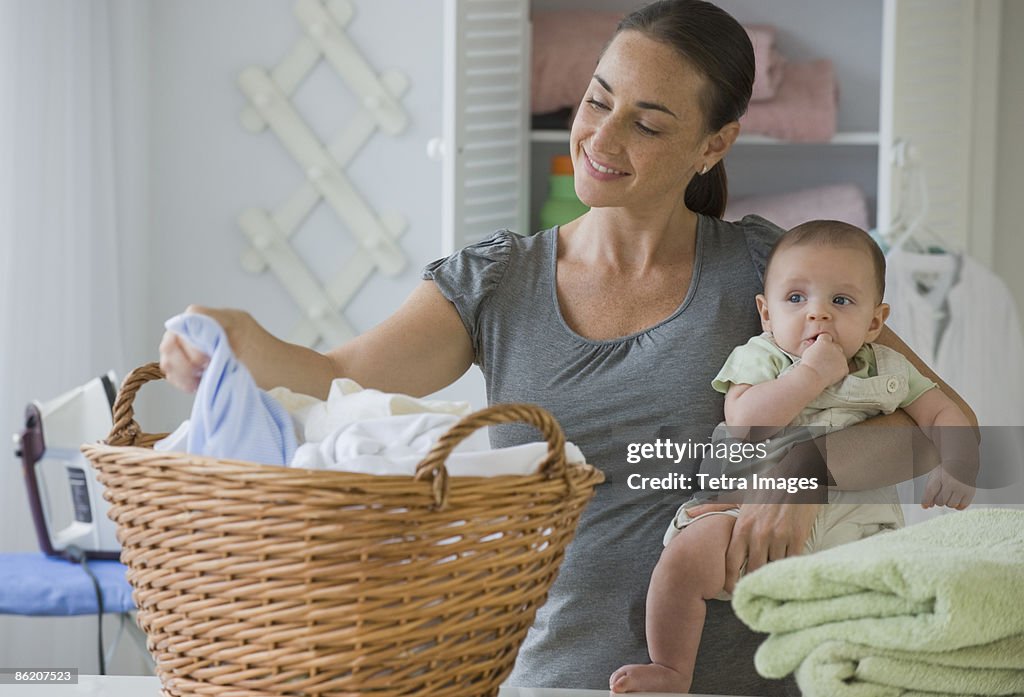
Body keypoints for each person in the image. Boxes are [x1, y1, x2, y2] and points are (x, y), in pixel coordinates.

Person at [159, 1, 977, 693]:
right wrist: (236, 339)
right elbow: (335, 377)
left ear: (712, 146)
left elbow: (937, 426)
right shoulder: (494, 282)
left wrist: (806, 470)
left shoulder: (774, 272)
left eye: (647, 122)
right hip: (546, 679)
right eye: (597, 100)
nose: (602, 136)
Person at [609, 220, 978, 694]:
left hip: (856, 523)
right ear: (766, 313)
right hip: (743, 513)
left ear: (875, 321)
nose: (818, 315)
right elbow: (745, 424)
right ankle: (672, 668)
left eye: (840, 301)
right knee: (684, 560)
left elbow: (943, 410)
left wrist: (960, 461)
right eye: (796, 299)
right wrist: (808, 377)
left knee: (885, 606)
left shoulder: (888, 368)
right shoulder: (762, 357)